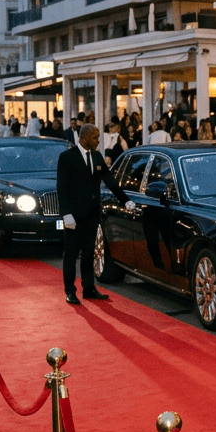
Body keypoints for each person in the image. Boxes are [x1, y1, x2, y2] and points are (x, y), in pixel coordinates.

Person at [56, 124, 137, 305]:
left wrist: (126, 200)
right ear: (84, 138)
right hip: (74, 216)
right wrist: (66, 213)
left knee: (89, 252)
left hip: (92, 213)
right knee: (70, 253)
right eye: (95, 137)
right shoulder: (67, 157)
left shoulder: (97, 156)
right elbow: (62, 187)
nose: (98, 140)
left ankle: (89, 288)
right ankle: (70, 290)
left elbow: (110, 181)